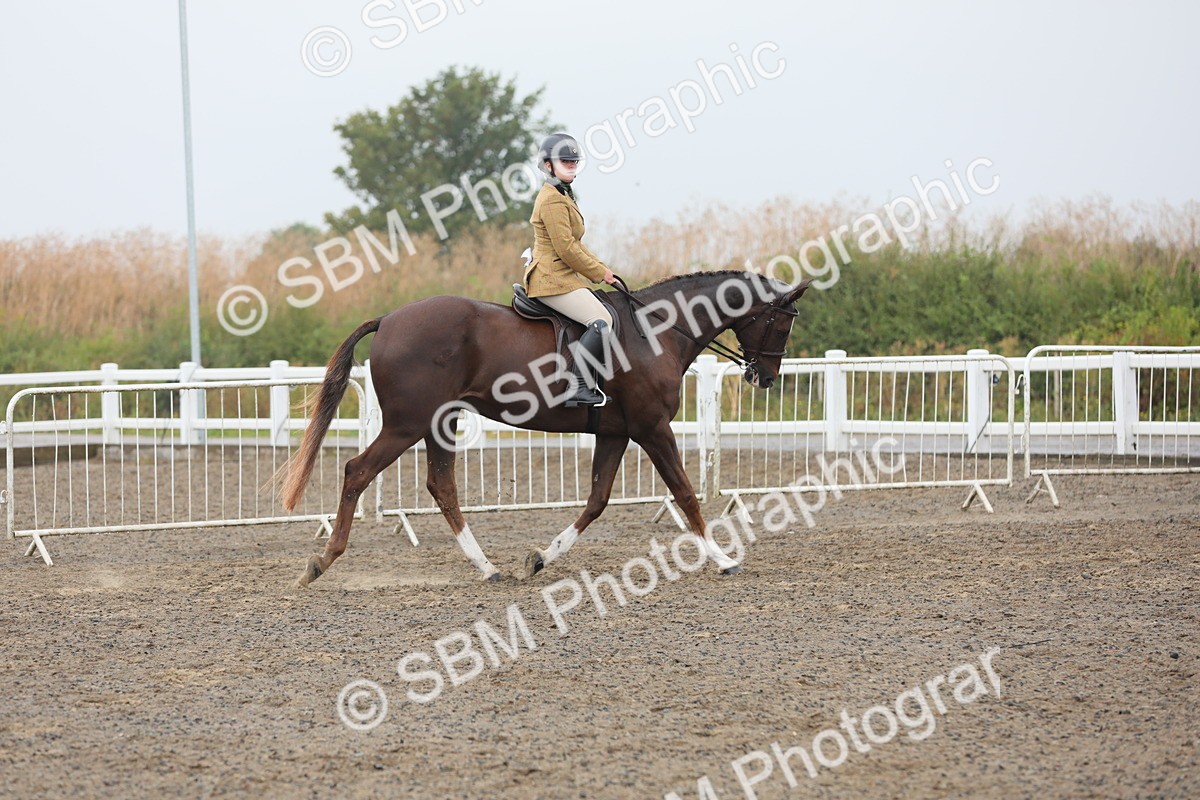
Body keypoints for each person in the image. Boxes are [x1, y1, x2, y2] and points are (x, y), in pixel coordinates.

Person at [524, 132, 619, 407]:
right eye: (564, 161)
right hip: (550, 278)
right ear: (548, 166)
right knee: (601, 322)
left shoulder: (563, 194)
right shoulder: (552, 199)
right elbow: (565, 249)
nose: (571, 165)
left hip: (563, 275)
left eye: (574, 162)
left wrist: (602, 269)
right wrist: (598, 273)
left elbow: (576, 244)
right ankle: (578, 387)